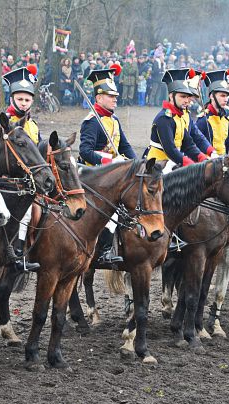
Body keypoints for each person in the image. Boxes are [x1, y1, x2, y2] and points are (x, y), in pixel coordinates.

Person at [79, 66, 137, 265]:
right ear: (98, 98)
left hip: (113, 174)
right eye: (110, 96)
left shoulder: (114, 120)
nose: (115, 99)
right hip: (93, 174)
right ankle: (103, 251)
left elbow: (125, 145)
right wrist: (109, 161)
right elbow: (85, 151)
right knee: (112, 209)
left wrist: (136, 163)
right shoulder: (91, 122)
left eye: (115, 96)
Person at [0, 65, 42, 272]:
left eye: (27, 100)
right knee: (26, 213)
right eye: (20, 99)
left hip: (30, 181)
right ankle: (15, 252)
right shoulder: (2, 122)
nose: (24, 103)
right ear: (12, 99)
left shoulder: (34, 125)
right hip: (6, 180)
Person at [146, 68, 209, 167]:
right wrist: (190, 165)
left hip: (173, 161)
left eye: (188, 97)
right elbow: (170, 149)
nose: (187, 100)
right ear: (171, 96)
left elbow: (188, 144)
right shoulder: (164, 118)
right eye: (183, 96)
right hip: (158, 164)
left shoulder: (178, 117)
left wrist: (202, 158)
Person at [196, 69, 229, 156]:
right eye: (222, 96)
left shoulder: (227, 120)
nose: (226, 99)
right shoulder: (203, 120)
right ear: (211, 96)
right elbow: (196, 146)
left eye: (226, 96)